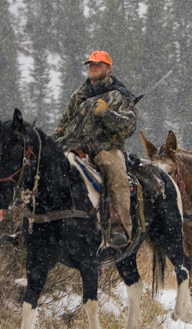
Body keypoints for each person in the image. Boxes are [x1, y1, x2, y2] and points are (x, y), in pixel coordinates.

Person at [52, 50, 137, 248]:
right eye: (90, 64)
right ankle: (31, 224)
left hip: (106, 148)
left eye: (97, 65)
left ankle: (120, 227)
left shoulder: (120, 95)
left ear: (108, 69)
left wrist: (107, 114)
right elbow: (63, 124)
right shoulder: (78, 96)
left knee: (117, 175)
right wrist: (53, 141)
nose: (92, 67)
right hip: (72, 146)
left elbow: (129, 127)